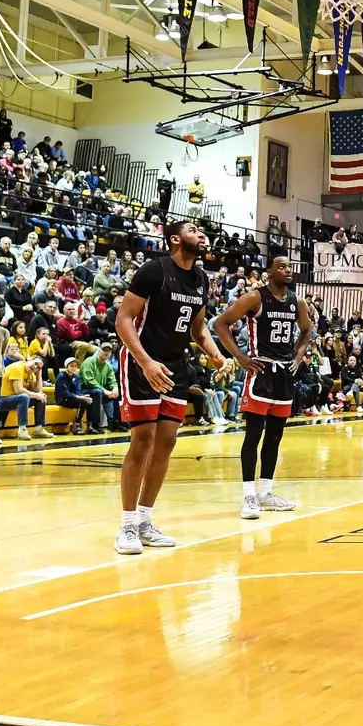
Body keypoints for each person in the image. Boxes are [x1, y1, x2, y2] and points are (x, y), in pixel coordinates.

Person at [114, 220, 230, 554]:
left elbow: (198, 328)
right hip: (142, 362)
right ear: (176, 239)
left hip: (176, 365)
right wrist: (146, 362)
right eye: (194, 229)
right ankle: (126, 526)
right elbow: (123, 319)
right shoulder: (153, 270)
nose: (202, 234)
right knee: (143, 440)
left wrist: (216, 356)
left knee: (166, 441)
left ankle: (145, 520)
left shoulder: (201, 279)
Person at [213, 254, 313, 520]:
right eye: (281, 266)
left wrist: (298, 356)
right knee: (253, 435)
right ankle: (248, 496)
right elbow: (220, 323)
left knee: (275, 437)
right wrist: (240, 357)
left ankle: (266, 493)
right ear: (269, 271)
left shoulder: (297, 302)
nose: (288, 270)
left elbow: (306, 331)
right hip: (261, 372)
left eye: (290, 267)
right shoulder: (255, 298)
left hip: (283, 375)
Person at [0, 355, 53, 441]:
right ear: (28, 360)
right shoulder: (17, 368)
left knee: (41, 398)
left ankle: (38, 429)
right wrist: (36, 395)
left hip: (15, 399)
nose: (35, 367)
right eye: (35, 363)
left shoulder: (31, 373)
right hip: (1, 400)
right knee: (24, 397)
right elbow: (19, 390)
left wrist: (38, 375)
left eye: (38, 368)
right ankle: (22, 430)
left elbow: (37, 391)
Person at [53, 357, 104, 434]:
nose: (74, 368)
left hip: (73, 397)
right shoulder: (61, 376)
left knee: (89, 401)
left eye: (75, 366)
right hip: (63, 399)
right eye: (71, 366)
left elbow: (78, 391)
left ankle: (89, 426)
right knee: (83, 402)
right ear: (67, 366)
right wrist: (81, 397)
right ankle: (76, 426)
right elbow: (65, 393)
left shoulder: (76, 377)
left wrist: (83, 397)